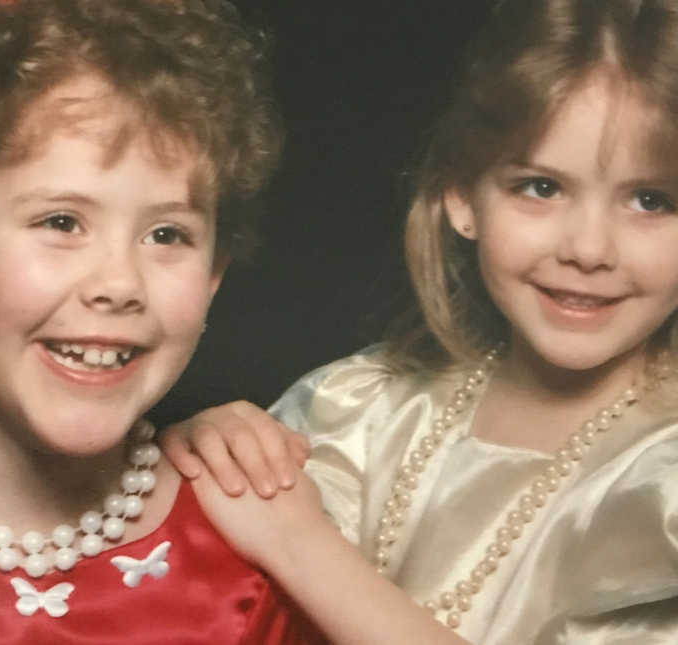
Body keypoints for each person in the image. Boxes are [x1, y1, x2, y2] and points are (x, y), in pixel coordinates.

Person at [164, 0, 678, 642]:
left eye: (652, 200)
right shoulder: (352, 409)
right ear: (461, 197)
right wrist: (203, 456)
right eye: (541, 188)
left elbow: (290, 545)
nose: (588, 249)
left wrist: (299, 543)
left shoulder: (661, 492)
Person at [0, 0, 325, 642]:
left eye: (167, 234)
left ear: (214, 275)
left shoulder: (247, 550)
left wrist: (302, 548)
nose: (119, 284)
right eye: (61, 222)